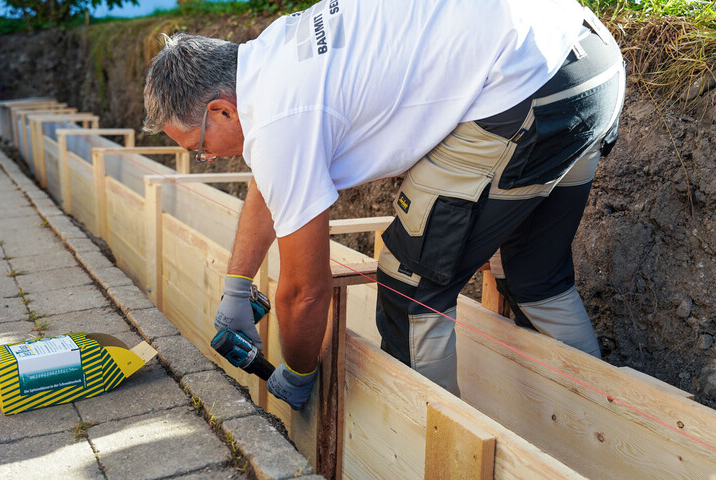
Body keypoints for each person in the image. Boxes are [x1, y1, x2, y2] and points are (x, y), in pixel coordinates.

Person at [143, 0, 625, 408]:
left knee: (409, 285)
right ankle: (603, 431)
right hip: (587, 60)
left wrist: (298, 371)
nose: (207, 157)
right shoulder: (270, 54)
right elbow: (271, 180)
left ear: (220, 109)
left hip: (530, 88)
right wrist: (236, 283)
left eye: (199, 146)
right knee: (534, 276)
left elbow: (304, 292)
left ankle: (436, 451)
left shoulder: (277, 118)